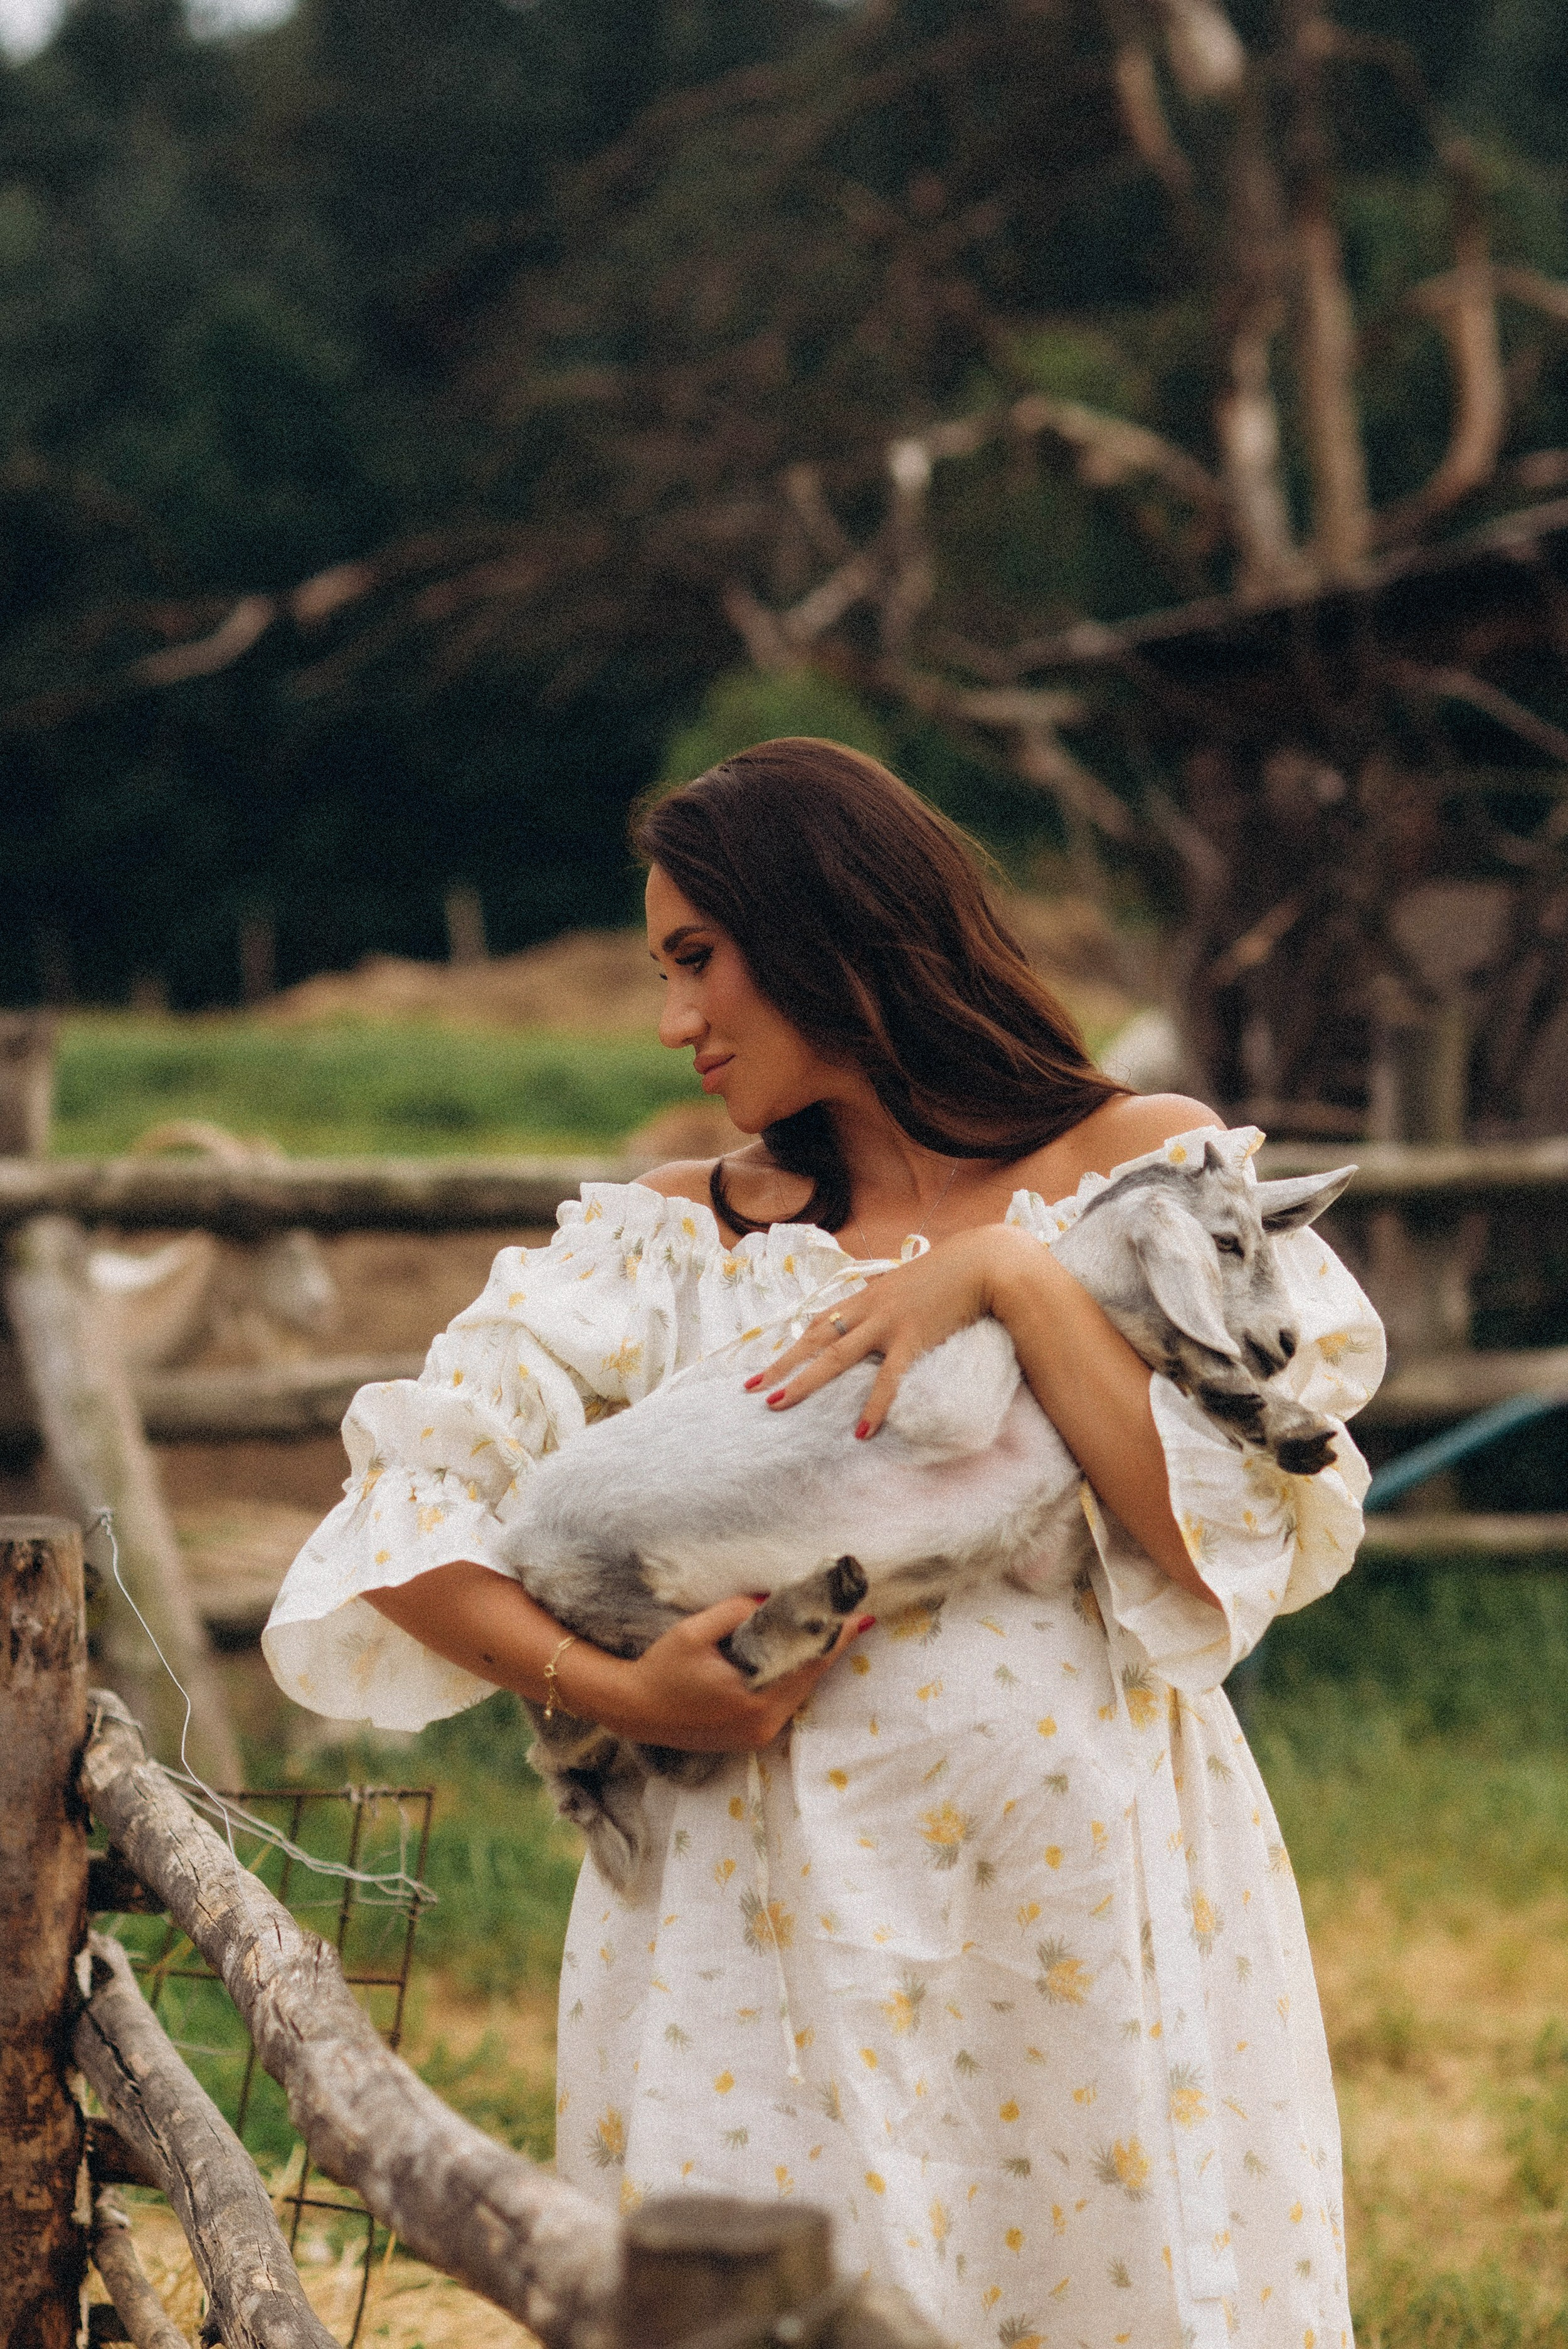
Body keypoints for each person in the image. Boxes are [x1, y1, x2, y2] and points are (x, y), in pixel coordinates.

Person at [263, 740, 1384, 2349]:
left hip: (1085, 1890)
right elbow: (398, 1513)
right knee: (769, 2299)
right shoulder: (671, 1240)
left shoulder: (1134, 1177)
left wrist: (1007, 1279)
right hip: (755, 1918)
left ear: (832, 929)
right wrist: (619, 1692)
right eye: (662, 969)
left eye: (699, 958)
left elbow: (1225, 1538)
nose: (675, 1021)